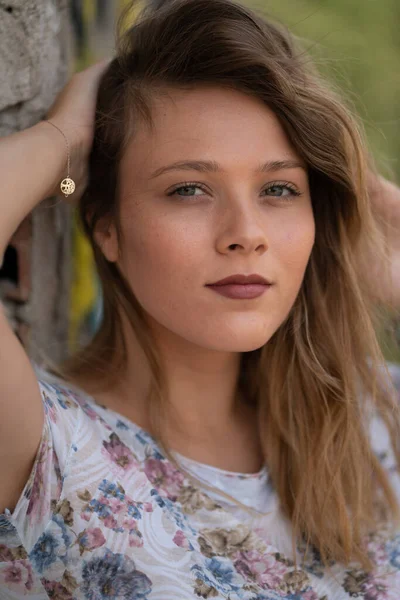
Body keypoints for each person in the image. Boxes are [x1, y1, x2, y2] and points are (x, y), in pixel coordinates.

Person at [1, 0, 400, 597]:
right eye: (188, 188)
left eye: (278, 188)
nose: (247, 232)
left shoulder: (371, 412)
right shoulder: (46, 451)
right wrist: (61, 140)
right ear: (107, 226)